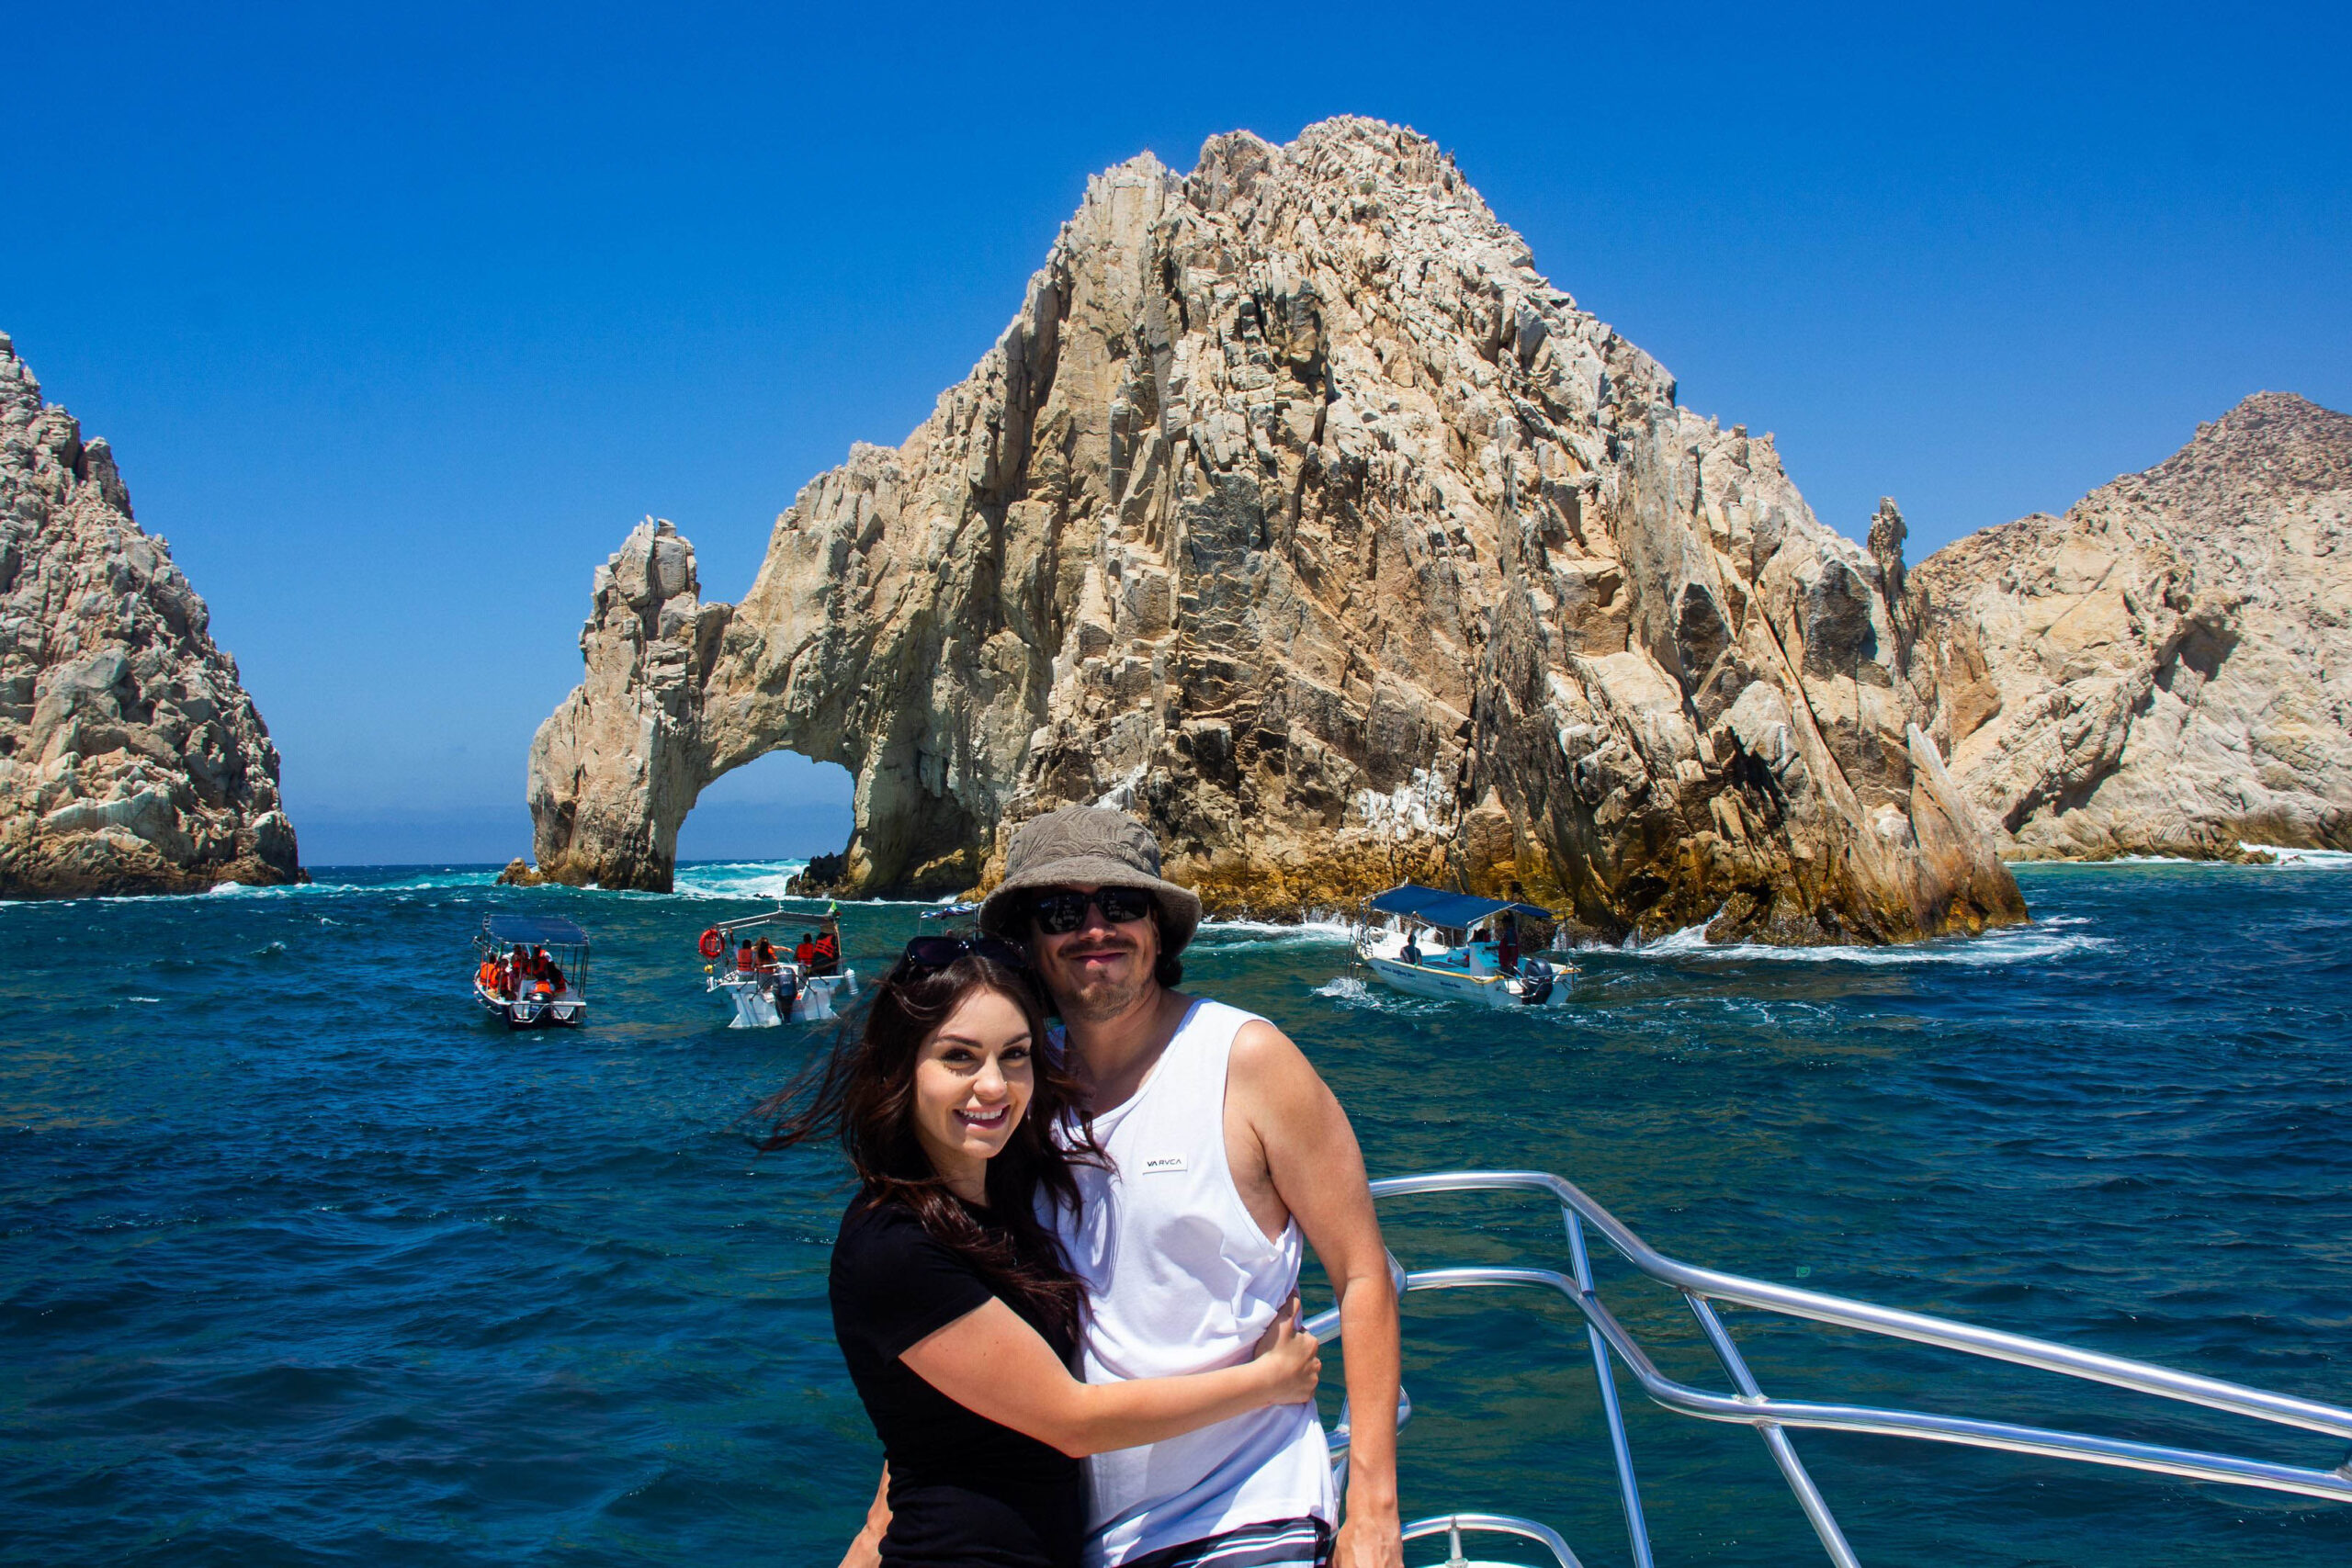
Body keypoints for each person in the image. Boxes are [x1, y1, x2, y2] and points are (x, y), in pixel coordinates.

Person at [861, 806, 1407, 1568]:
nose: (1094, 928)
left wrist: (1373, 1512)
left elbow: (1361, 1273)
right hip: (1086, 1537)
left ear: (1158, 927)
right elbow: (970, 1323)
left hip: (1245, 1509)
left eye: (1120, 904)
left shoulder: (1245, 1060)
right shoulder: (1020, 1093)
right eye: (1061, 910)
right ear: (1029, 940)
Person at [764, 936, 1323, 1568]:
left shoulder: (997, 1209)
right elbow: (1072, 1420)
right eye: (958, 1057)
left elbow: (916, 1447)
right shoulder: (892, 1245)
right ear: (903, 1066)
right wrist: (1266, 1381)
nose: (992, 1085)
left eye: (1016, 1055)